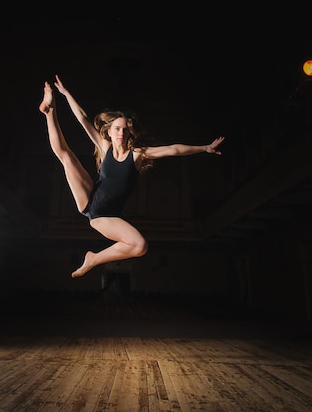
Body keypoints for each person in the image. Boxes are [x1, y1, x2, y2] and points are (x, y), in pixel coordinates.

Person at [39, 75, 225, 278]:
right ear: (109, 131)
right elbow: (82, 118)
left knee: (140, 246)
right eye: (117, 129)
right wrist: (65, 94)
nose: (121, 133)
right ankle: (50, 111)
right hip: (89, 198)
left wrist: (204, 148)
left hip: (103, 217)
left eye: (125, 130)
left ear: (129, 133)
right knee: (66, 156)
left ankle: (93, 259)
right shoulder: (105, 146)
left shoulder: (137, 155)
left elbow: (173, 149)